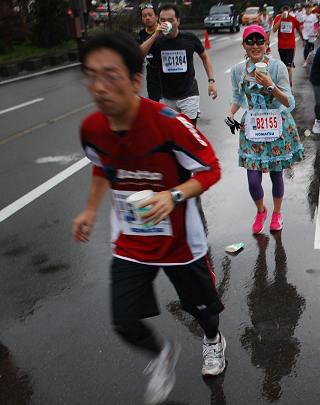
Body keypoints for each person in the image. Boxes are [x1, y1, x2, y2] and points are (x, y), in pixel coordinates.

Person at [73, 32, 225, 405]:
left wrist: (173, 196)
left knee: (203, 310)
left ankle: (212, 340)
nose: (100, 87)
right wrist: (90, 210)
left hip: (180, 241)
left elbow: (210, 169)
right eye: (92, 76)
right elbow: (101, 167)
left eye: (111, 76)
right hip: (131, 240)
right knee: (124, 320)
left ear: (135, 80)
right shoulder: (91, 129)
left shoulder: (169, 123)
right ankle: (161, 354)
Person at [225, 25, 304, 234]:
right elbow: (237, 97)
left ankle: (277, 213)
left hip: (276, 127)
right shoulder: (238, 71)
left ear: (266, 43)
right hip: (253, 128)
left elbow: (289, 102)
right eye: (250, 41)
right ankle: (261, 211)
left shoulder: (277, 68)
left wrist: (271, 85)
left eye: (259, 41)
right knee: (253, 180)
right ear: (244, 45)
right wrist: (230, 113)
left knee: (277, 176)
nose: (255, 46)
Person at [140, 4, 217, 125]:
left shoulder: (189, 38)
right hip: (167, 97)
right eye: (163, 20)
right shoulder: (157, 41)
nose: (166, 23)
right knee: (173, 131)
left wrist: (211, 81)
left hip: (189, 95)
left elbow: (205, 57)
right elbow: (139, 55)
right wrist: (155, 35)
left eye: (170, 20)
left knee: (189, 130)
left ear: (178, 21)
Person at [272, 4, 303, 87]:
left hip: (290, 46)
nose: (285, 10)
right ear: (282, 10)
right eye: (284, 9)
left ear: (289, 10)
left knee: (288, 67)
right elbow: (274, 30)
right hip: (281, 46)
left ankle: (289, 85)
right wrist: (280, 19)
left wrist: (303, 39)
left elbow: (299, 29)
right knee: (284, 67)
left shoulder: (293, 19)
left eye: (287, 9)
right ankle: (287, 83)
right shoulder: (278, 18)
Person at [136, 3, 161, 101]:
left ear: (156, 17)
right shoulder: (141, 34)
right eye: (144, 16)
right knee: (154, 101)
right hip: (152, 72)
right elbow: (140, 54)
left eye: (150, 15)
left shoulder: (164, 30)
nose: (147, 18)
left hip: (166, 72)